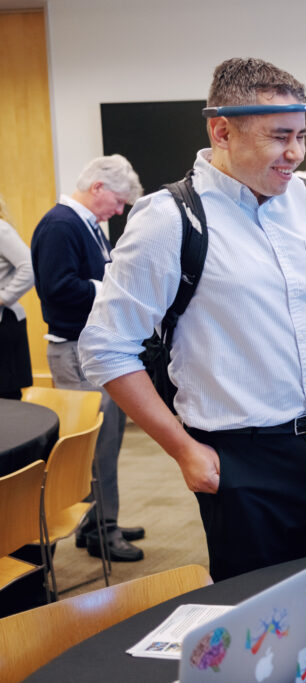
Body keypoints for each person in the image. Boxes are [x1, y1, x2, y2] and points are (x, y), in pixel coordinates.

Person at [78, 57, 306, 581]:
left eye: (300, 135)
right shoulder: (170, 219)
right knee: (263, 622)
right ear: (222, 131)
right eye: (278, 137)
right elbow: (105, 349)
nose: (294, 153)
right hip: (241, 461)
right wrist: (182, 449)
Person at [30, 154, 145, 562]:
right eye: (117, 201)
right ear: (97, 187)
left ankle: (98, 520)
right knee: (96, 445)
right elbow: (58, 290)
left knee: (108, 440)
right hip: (76, 350)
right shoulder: (61, 225)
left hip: (91, 347)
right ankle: (101, 529)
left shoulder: (83, 224)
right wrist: (110, 289)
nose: (119, 210)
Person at [0, 194, 34, 400]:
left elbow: (30, 267)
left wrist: (4, 296)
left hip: (5, 325)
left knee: (7, 402)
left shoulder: (1, 230)